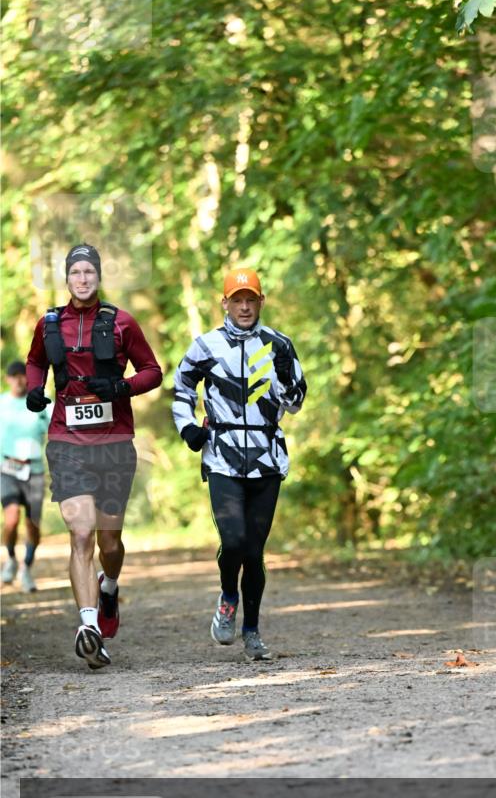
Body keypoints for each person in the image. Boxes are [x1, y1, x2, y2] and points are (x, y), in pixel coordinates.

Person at [25, 243, 162, 670]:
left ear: (98, 276)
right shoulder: (50, 323)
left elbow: (152, 372)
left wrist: (121, 388)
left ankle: (109, 588)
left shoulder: (121, 322)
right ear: (67, 278)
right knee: (80, 533)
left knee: (110, 542)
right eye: (76, 272)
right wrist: (35, 389)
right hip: (66, 442)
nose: (82, 279)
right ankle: (89, 627)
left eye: (89, 272)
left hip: (115, 442)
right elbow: (34, 362)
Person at [172, 267, 306, 661]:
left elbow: (296, 403)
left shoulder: (279, 344)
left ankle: (252, 631)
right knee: (233, 541)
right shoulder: (206, 345)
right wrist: (187, 428)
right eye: (237, 300)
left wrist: (286, 380)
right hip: (222, 455)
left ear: (261, 303)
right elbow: (181, 387)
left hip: (266, 456)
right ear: (225, 303)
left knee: (254, 551)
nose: (244, 307)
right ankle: (228, 595)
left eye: (251, 300)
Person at [1, 360, 50, 592]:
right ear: (8, 379)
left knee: (33, 525)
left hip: (35, 471)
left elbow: (56, 429)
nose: (20, 380)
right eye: (15, 376)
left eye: (23, 376)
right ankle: (10, 558)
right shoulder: (2, 403)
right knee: (11, 520)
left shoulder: (40, 403)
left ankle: (27, 569)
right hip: (7, 468)